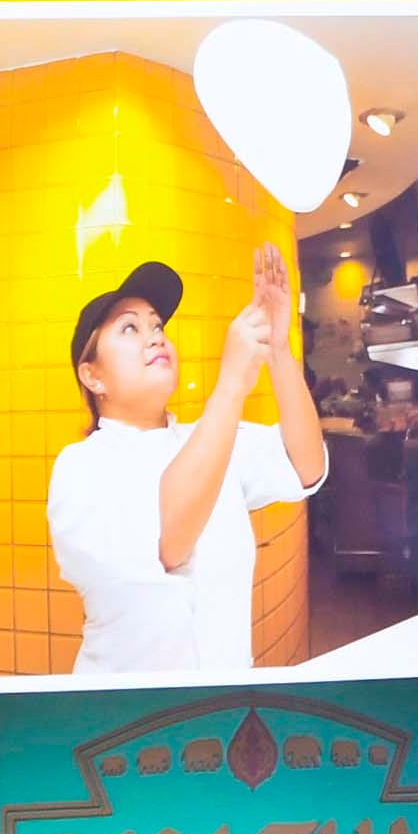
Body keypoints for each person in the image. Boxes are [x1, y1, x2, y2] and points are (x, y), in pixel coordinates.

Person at [46, 247, 322, 679]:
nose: (155, 336)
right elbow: (169, 546)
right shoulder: (80, 469)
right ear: (92, 376)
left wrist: (280, 349)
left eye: (157, 325)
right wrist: (230, 386)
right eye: (130, 329)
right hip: (129, 718)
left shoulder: (206, 435)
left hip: (222, 704)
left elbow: (306, 464)